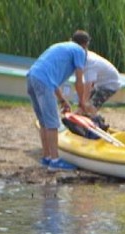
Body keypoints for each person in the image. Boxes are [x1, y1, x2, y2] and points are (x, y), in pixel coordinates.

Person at [26, 30, 91, 171]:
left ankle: (47, 157)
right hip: (42, 80)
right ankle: (55, 161)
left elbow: (51, 80)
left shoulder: (62, 46)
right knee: (52, 123)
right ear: (86, 44)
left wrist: (62, 100)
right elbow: (79, 81)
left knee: (44, 122)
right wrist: (82, 102)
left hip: (32, 77)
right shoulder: (80, 51)